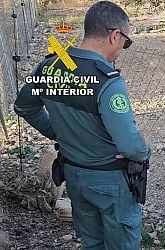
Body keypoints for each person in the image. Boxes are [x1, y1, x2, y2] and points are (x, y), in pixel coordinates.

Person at [14, 1, 151, 249]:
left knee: (92, 243)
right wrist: (145, 151)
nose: (123, 49)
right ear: (114, 36)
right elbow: (131, 146)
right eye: (126, 42)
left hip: (75, 177)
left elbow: (24, 106)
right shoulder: (108, 81)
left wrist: (60, 133)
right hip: (110, 181)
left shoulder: (49, 67)